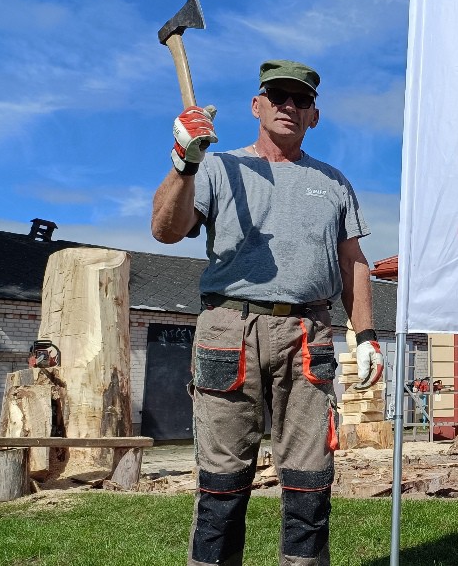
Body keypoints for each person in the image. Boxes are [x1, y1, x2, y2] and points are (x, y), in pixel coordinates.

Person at [151, 60, 379, 566]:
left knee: (310, 477)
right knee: (222, 479)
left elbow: (353, 262)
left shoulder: (334, 183)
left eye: (300, 100)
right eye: (278, 96)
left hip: (309, 332)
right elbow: (165, 229)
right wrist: (183, 163)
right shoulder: (216, 167)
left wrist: (365, 334)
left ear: (314, 115)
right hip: (229, 329)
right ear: (257, 106)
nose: (288, 107)